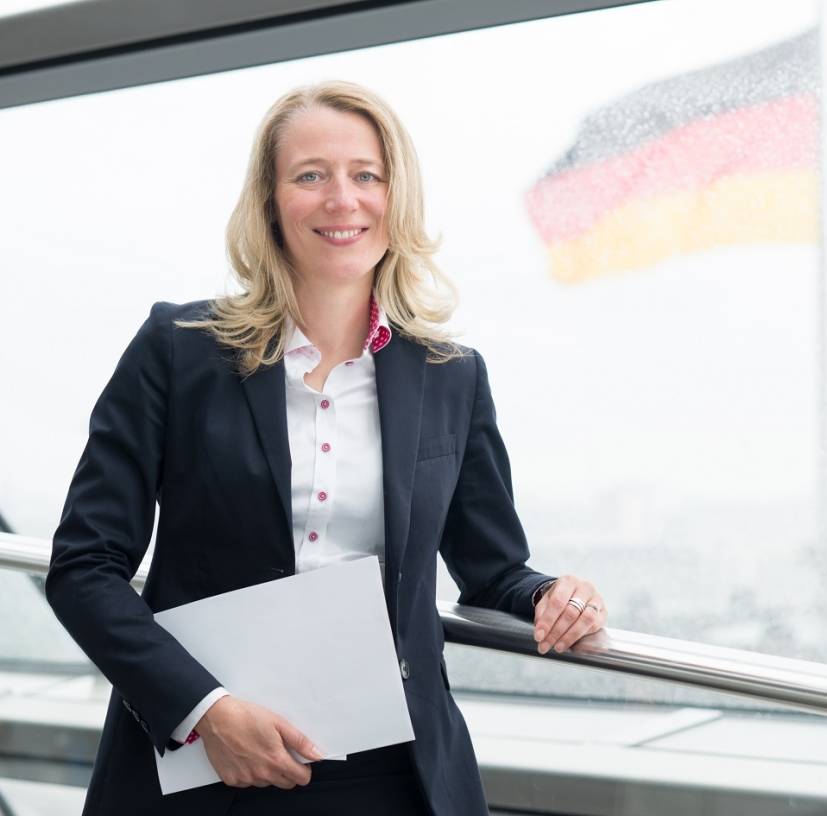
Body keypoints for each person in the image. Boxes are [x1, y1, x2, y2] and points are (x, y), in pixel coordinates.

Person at [45, 79, 608, 816]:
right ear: (272, 200)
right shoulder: (175, 353)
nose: (342, 199)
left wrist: (551, 595)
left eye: (365, 175)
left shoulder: (451, 377)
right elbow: (85, 567)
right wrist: (205, 711)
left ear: (394, 197)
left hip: (389, 774)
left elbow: (492, 566)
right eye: (310, 175)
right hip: (204, 761)